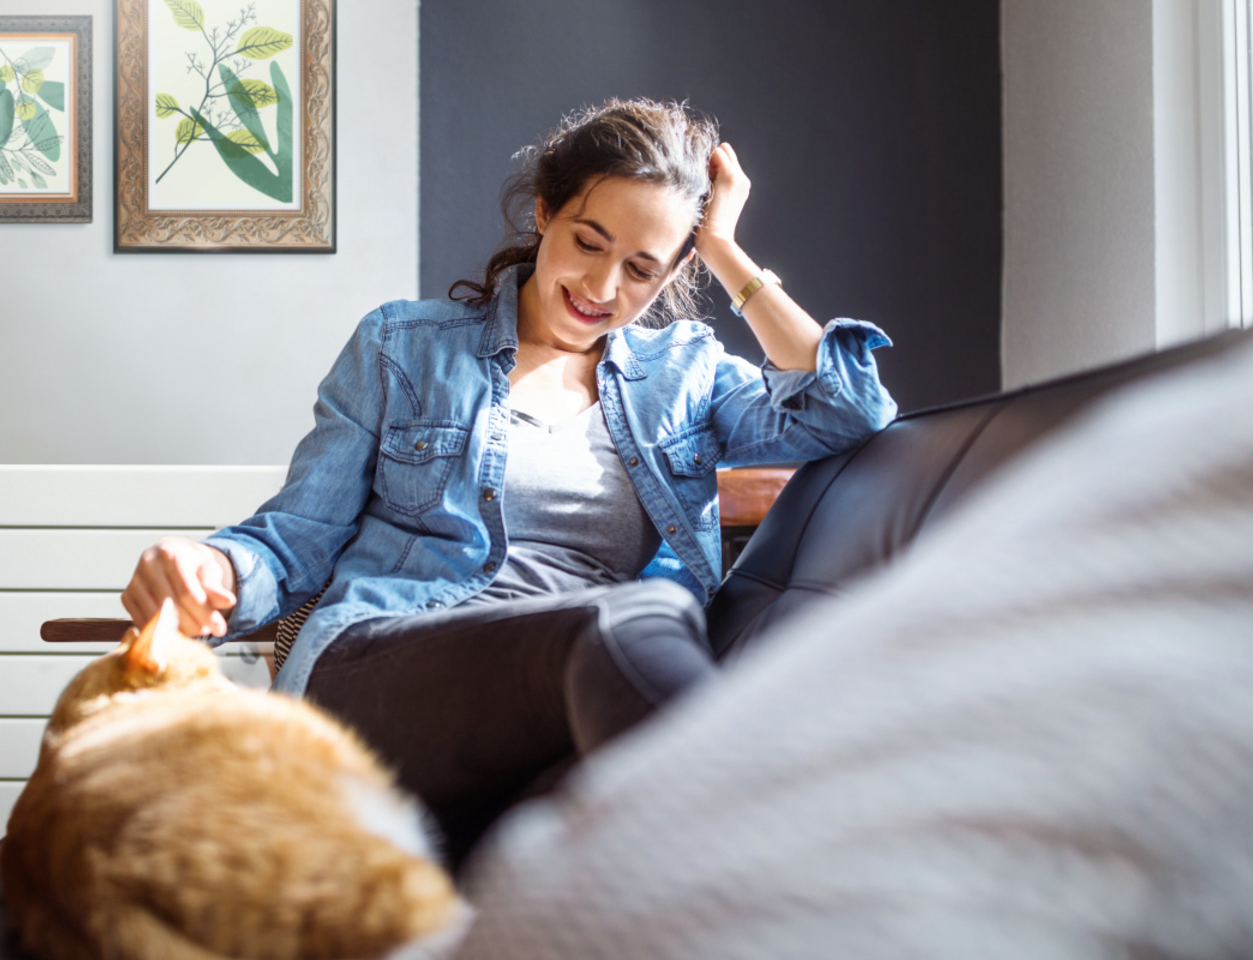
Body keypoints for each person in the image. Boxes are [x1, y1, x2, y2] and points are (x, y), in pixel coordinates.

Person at [120, 98, 897, 863]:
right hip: (389, 663)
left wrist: (723, 249)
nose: (602, 287)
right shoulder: (403, 347)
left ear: (675, 271)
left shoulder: (686, 376)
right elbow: (297, 538)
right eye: (588, 242)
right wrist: (212, 565)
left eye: (641, 269)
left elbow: (849, 408)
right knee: (634, 623)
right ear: (544, 212)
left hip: (570, 712)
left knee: (579, 824)